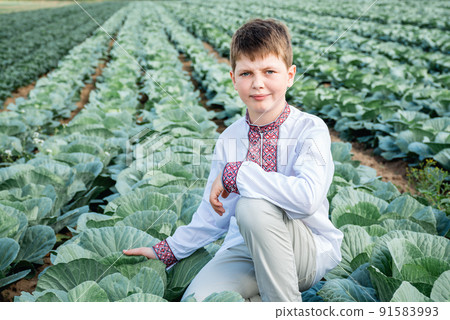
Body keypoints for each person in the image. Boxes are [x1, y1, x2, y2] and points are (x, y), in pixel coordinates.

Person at [123, 18, 343, 302]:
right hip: (243, 251)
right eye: (247, 73)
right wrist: (166, 251)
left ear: (290, 75)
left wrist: (238, 174)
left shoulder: (310, 129)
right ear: (233, 79)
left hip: (303, 252)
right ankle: (256, 298)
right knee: (200, 302)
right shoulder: (230, 138)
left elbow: (307, 199)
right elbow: (213, 214)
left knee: (253, 208)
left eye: (269, 71)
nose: (258, 83)